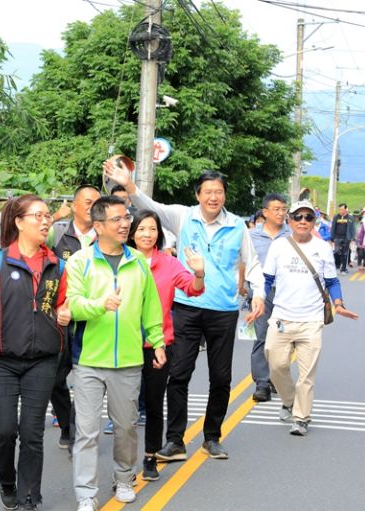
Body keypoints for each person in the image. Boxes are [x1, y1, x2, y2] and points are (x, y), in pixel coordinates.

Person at [104, 163, 264, 461]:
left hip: (223, 310)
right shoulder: (183, 215)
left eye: (218, 192)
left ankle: (212, 437)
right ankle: (175, 440)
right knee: (178, 375)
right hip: (187, 307)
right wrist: (128, 184)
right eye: (208, 192)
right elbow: (149, 207)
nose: (213, 197)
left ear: (225, 196)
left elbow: (251, 261)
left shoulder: (237, 226)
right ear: (198, 194)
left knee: (221, 377)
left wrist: (259, 294)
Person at [0, 194, 70, 511]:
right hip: (2, 360)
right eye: (38, 215)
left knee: (32, 432)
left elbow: (63, 304)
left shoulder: (57, 265)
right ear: (19, 221)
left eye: (47, 215)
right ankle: (6, 481)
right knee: (3, 430)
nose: (45, 221)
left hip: (43, 359)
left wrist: (66, 311)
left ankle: (29, 496)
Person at [65, 196, 167, 511]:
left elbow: (151, 305)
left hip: (128, 360)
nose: (125, 224)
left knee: (125, 427)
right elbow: (73, 305)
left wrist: (158, 341)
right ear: (98, 226)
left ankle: (123, 479)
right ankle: (86, 494)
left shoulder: (138, 261)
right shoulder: (80, 261)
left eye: (126, 218)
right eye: (117, 219)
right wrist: (101, 305)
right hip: (89, 361)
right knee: (87, 431)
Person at [262, 200, 358, 436]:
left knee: (307, 374)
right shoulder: (279, 246)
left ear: (314, 221)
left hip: (312, 321)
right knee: (276, 364)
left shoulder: (323, 247)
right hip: (282, 317)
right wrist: (259, 304)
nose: (303, 221)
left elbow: (332, 281)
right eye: (298, 217)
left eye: (308, 217)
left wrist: (339, 303)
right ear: (290, 220)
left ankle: (301, 418)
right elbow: (267, 281)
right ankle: (288, 400)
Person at [126, 209, 205, 481]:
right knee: (125, 409)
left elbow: (193, 289)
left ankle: (150, 458)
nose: (147, 234)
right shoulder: (122, 261)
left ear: (159, 233)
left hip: (159, 346)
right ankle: (124, 465)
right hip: (123, 345)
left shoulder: (168, 264)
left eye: (152, 229)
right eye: (141, 229)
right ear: (131, 233)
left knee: (154, 403)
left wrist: (199, 273)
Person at [47, 184, 101, 451]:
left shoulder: (106, 238)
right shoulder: (57, 234)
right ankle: (67, 424)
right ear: (76, 205)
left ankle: (78, 433)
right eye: (89, 202)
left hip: (92, 319)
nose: (93, 208)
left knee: (86, 379)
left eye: (97, 203)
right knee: (55, 378)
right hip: (59, 319)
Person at [249, 194, 291, 402]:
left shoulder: (292, 235)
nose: (281, 213)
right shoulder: (251, 236)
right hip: (261, 292)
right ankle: (262, 383)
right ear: (265, 212)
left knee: (284, 337)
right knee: (262, 335)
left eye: (284, 209)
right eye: (276, 209)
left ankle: (277, 376)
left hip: (287, 293)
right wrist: (242, 286)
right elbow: (243, 261)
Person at [330, 203, 356, 275]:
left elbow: (353, 228)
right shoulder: (336, 217)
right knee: (336, 251)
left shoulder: (350, 218)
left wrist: (353, 238)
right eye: (340, 209)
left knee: (345, 253)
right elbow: (333, 227)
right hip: (337, 238)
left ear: (345, 209)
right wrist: (332, 237)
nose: (340, 211)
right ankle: (337, 265)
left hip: (346, 238)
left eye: (342, 209)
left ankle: (343, 268)